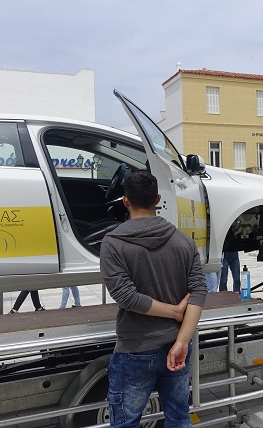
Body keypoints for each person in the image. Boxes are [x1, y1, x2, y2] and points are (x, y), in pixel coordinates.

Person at [100, 171, 207, 427]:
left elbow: (126, 296)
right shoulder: (183, 240)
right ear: (158, 199)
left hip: (135, 349)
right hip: (176, 347)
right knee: (179, 417)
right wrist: (182, 341)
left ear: (125, 201)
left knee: (125, 422)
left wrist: (173, 312)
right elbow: (199, 292)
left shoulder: (113, 243)